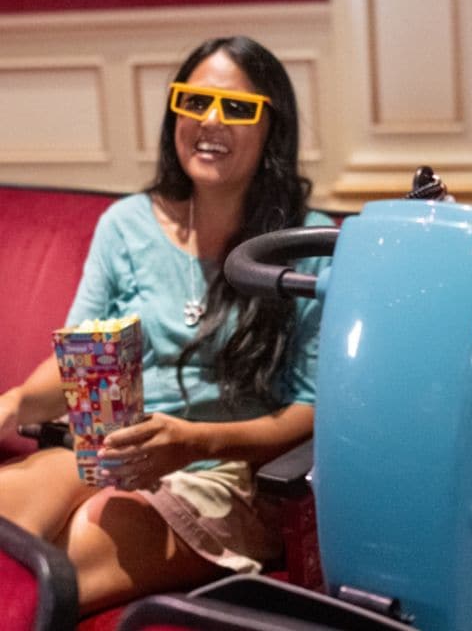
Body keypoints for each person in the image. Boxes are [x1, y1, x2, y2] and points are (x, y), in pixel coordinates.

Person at [0, 35, 333, 614]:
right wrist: (14, 404)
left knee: (66, 558)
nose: (209, 119)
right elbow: (79, 356)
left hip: (227, 478)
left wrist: (192, 442)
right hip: (108, 451)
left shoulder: (305, 243)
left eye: (236, 107)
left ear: (271, 128)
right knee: (13, 511)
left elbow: (310, 410)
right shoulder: (127, 224)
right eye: (193, 100)